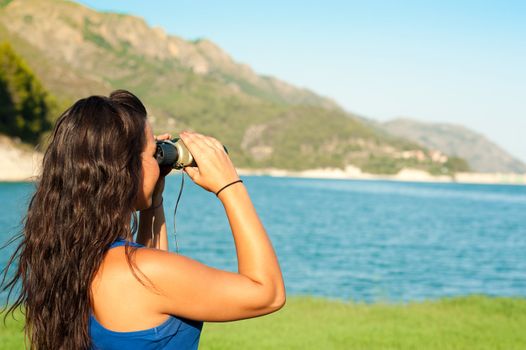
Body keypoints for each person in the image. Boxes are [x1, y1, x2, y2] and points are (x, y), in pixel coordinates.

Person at [0, 90, 286, 349]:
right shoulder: (142, 272)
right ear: (125, 168)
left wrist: (154, 199)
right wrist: (229, 186)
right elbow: (267, 293)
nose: (159, 160)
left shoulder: (71, 257)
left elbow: (150, 296)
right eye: (153, 154)